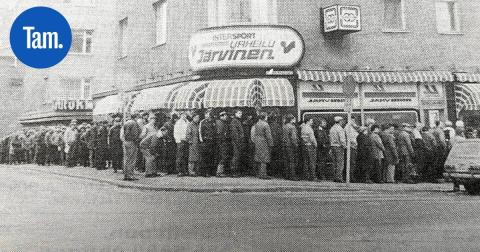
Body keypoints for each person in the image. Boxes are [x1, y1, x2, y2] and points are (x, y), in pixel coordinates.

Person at [251, 112, 274, 179]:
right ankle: (263, 174)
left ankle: (259, 173)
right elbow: (268, 136)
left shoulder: (257, 124)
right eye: (266, 116)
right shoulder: (266, 124)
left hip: (257, 141)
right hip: (264, 141)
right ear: (265, 117)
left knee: (259, 157)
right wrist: (271, 144)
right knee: (264, 158)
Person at [122, 114, 141, 181]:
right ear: (135, 117)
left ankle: (126, 175)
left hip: (126, 142)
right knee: (132, 159)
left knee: (126, 159)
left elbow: (124, 133)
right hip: (132, 142)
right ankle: (130, 175)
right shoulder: (134, 123)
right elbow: (135, 134)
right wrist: (137, 140)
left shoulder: (126, 123)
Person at [199, 109, 216, 176]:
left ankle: (210, 172)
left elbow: (214, 131)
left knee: (210, 157)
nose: (207, 116)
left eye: (208, 114)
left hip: (211, 141)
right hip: (205, 141)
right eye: (206, 114)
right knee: (205, 157)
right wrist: (202, 140)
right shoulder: (202, 122)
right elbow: (200, 132)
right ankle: (204, 172)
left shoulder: (212, 122)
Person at [330, 116, 347, 183]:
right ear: (340, 121)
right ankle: (339, 177)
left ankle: (335, 176)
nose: (342, 122)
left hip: (333, 146)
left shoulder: (332, 128)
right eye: (342, 121)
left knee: (334, 163)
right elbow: (342, 139)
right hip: (339, 147)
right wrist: (345, 146)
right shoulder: (340, 129)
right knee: (340, 163)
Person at [282, 114, 299, 180]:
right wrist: (296, 145)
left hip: (285, 145)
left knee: (286, 161)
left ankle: (287, 175)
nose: (295, 120)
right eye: (294, 119)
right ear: (291, 120)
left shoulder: (284, 126)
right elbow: (293, 138)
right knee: (292, 161)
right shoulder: (292, 127)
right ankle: (293, 176)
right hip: (290, 146)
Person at [174, 112, 190, 177]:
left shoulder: (187, 122)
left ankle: (184, 170)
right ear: (180, 115)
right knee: (180, 156)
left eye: (185, 114)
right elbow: (176, 132)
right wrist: (178, 141)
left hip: (186, 141)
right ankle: (179, 171)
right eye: (182, 115)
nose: (184, 116)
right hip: (180, 141)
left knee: (185, 156)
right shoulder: (178, 123)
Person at [215, 111, 230, 177]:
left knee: (222, 156)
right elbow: (221, 133)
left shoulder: (220, 122)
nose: (226, 117)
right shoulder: (220, 123)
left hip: (221, 142)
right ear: (221, 116)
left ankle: (220, 171)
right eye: (225, 115)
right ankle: (219, 172)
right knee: (222, 156)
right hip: (222, 142)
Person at [186, 112, 201, 176]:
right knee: (192, 158)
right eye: (196, 117)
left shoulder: (198, 124)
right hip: (192, 143)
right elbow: (188, 134)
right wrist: (190, 141)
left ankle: (196, 171)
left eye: (198, 118)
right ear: (193, 118)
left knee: (197, 157)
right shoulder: (190, 125)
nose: (197, 119)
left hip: (197, 142)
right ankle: (191, 171)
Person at [230, 110, 244, 177]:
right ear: (235, 114)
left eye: (241, 113)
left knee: (237, 156)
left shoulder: (237, 121)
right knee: (236, 156)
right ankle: (234, 172)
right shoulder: (234, 121)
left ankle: (235, 171)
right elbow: (235, 133)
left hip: (238, 141)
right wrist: (238, 142)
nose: (240, 114)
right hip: (236, 142)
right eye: (239, 113)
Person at [345, 117, 359, 181]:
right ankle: (351, 177)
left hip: (354, 146)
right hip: (351, 147)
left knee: (353, 162)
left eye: (354, 120)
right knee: (352, 162)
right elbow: (350, 138)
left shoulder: (352, 127)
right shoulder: (348, 128)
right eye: (352, 120)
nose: (354, 122)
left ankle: (351, 176)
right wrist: (355, 143)